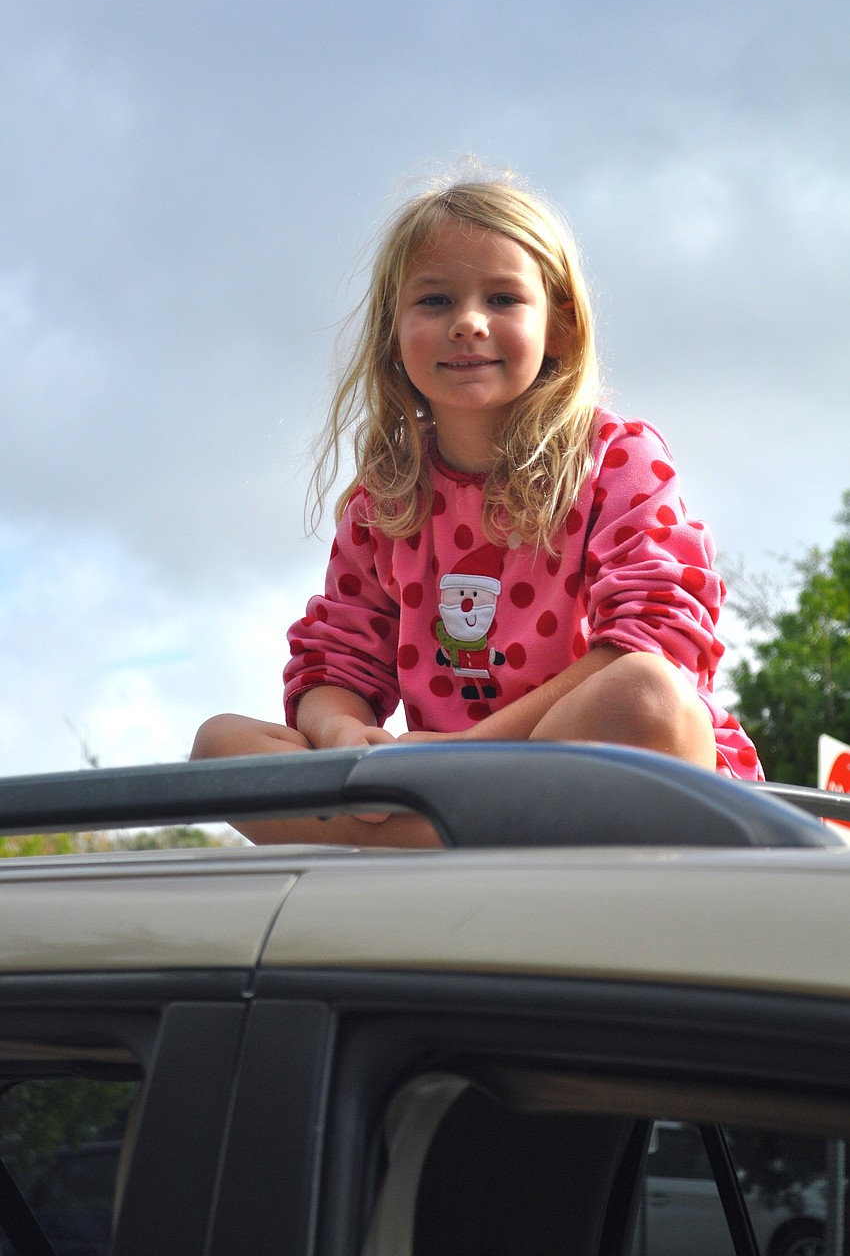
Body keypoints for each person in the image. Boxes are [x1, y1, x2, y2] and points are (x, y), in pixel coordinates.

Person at [191, 174, 763, 846]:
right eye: (435, 299)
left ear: (560, 325)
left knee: (648, 695)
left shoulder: (616, 458)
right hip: (439, 778)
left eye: (502, 297)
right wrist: (344, 733)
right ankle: (455, 833)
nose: (468, 321)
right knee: (219, 747)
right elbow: (336, 665)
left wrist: (456, 758)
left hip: (601, 774)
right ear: (392, 334)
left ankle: (403, 841)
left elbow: (660, 638)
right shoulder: (387, 501)